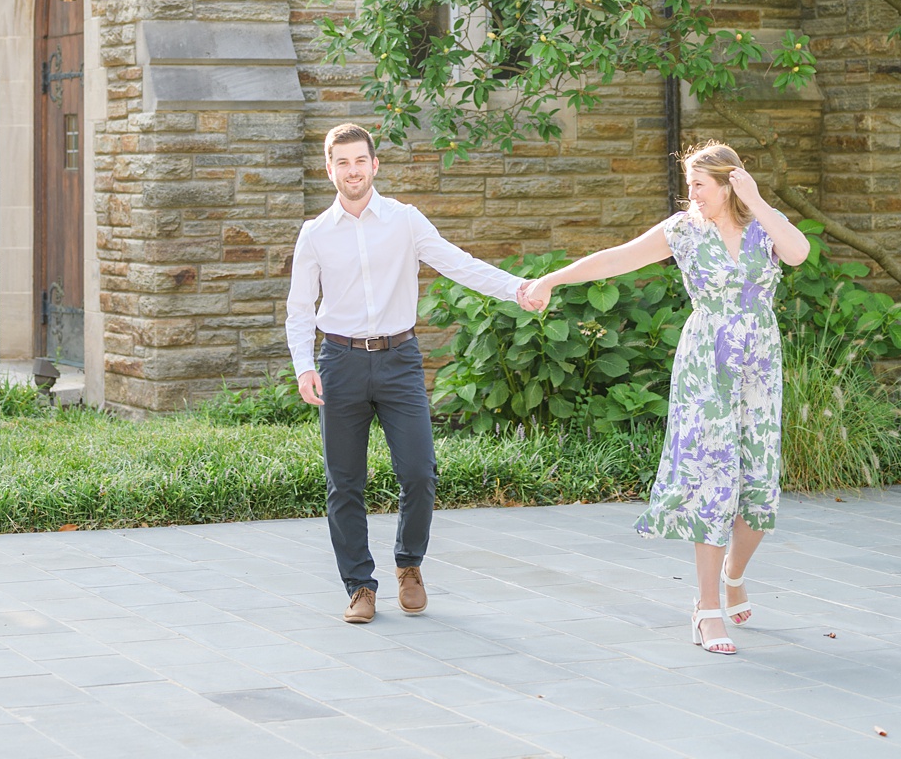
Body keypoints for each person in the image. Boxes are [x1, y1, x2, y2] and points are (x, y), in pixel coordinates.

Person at [523, 142, 807, 656]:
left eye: (700, 184)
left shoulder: (765, 225)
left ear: (729, 184)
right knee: (711, 476)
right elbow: (617, 258)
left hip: (760, 366)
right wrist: (553, 278)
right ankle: (706, 607)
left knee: (761, 487)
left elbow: (800, 252)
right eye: (690, 183)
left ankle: (734, 574)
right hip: (706, 365)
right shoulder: (683, 231)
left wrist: (758, 200)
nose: (691, 193)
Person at [286, 123, 544, 624]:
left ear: (375, 165)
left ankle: (409, 565)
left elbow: (458, 263)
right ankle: (359, 585)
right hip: (338, 362)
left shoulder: (404, 221)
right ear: (329, 169)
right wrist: (302, 367)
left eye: (360, 161)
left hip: (399, 360)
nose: (352, 171)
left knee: (420, 473)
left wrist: (518, 288)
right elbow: (299, 310)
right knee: (344, 483)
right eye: (342, 162)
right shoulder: (315, 234)